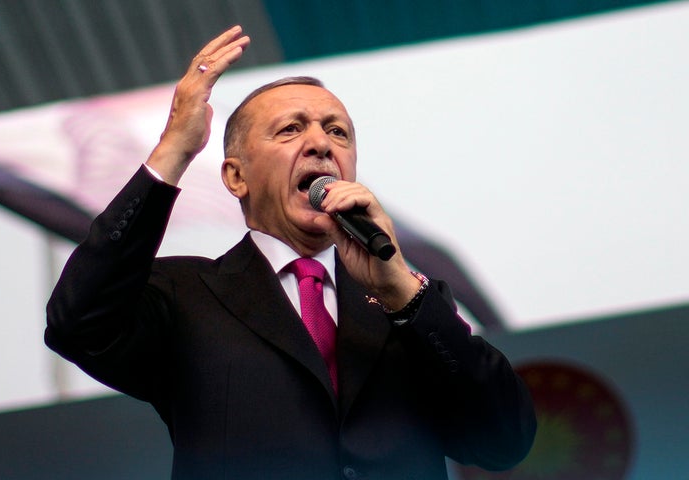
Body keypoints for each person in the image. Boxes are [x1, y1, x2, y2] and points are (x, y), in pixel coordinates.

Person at [45, 25, 536, 480]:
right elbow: (76, 323)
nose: (321, 144)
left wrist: (403, 295)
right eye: (290, 130)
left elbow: (504, 440)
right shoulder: (184, 295)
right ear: (236, 177)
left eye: (337, 131)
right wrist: (173, 149)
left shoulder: (409, 302)